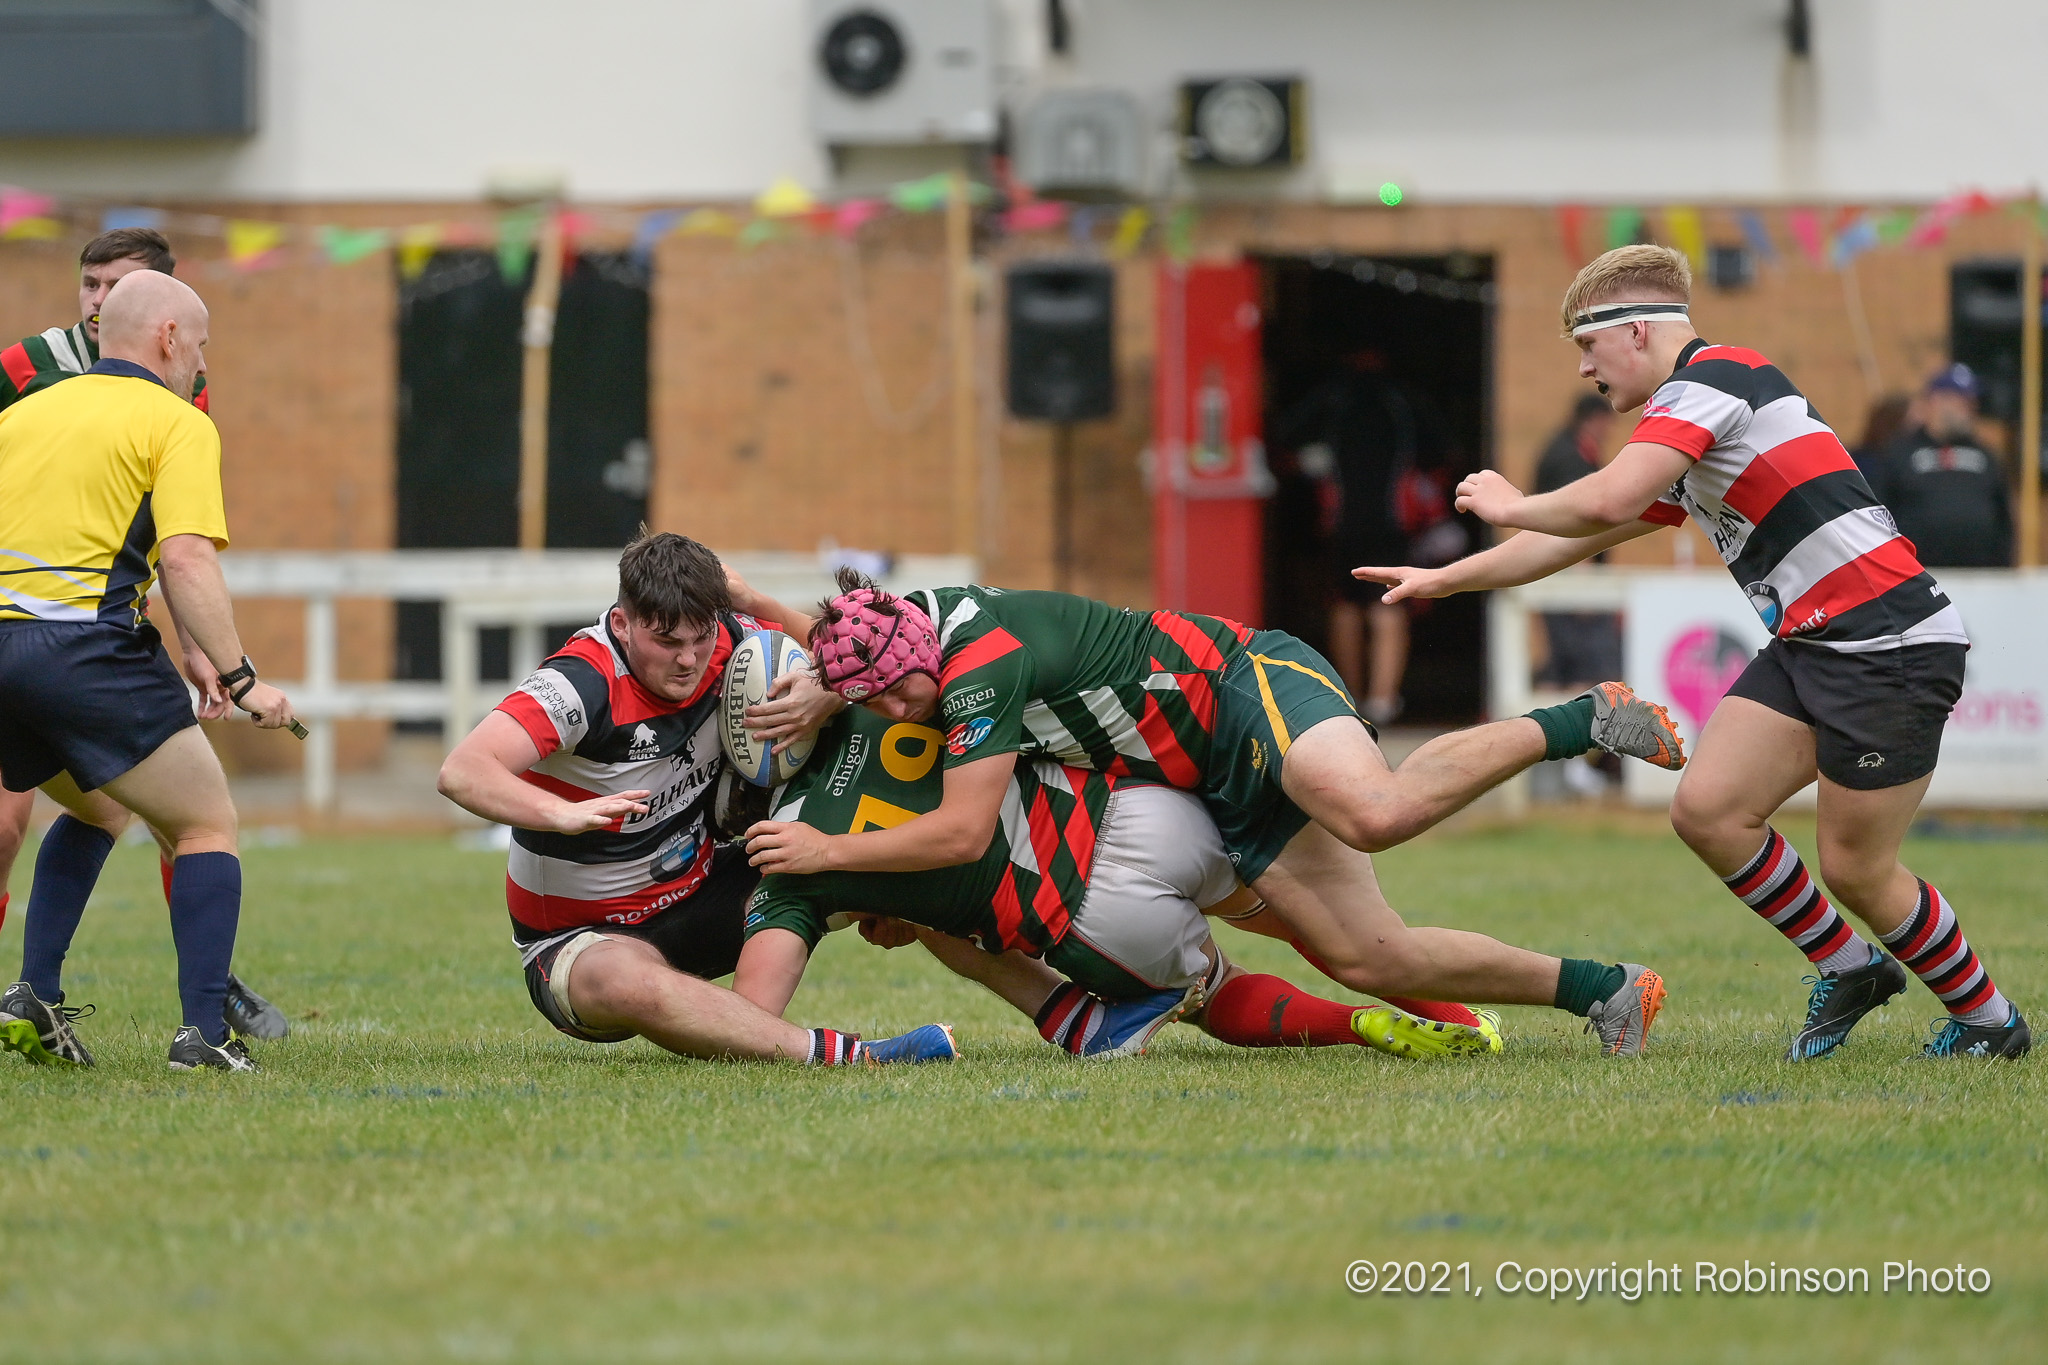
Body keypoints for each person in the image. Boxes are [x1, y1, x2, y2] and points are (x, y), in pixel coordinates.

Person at [1361, 244, 2029, 1062]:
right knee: (1708, 810)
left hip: (1885, 641)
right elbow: (1581, 537)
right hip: (1816, 641)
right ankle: (1851, 966)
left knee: (1857, 868)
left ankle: (1991, 1018)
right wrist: (1447, 578)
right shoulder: (1687, 418)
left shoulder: (1715, 379)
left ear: (1637, 332)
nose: (1583, 369)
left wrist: (1511, 502)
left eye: (1588, 345)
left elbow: (1604, 496)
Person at [744, 570, 1687, 1056]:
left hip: (1240, 684)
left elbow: (959, 831)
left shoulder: (980, 668)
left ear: (925, 658)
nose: (899, 713)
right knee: (1372, 956)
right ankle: (1605, 990)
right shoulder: (911, 623)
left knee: (1375, 810)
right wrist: (812, 673)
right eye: (875, 703)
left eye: (900, 695)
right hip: (1210, 777)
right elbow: (848, 641)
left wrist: (827, 852)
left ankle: (1582, 717)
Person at [434, 531, 954, 1066]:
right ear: (622, 624)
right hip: (584, 939)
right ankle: (849, 1055)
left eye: (700, 638)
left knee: (909, 872)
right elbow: (463, 771)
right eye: (667, 642)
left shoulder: (735, 642)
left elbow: (849, 658)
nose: (688, 659)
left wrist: (823, 693)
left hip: (705, 894)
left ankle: (1030, 999)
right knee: (629, 984)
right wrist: (563, 813)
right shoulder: (581, 683)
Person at [732, 706, 1501, 1061]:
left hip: (1096, 914)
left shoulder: (786, 855)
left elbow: (748, 1017)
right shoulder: (879, 697)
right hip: (1138, 812)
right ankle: (1464, 1017)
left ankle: (1354, 1025)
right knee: (1309, 918)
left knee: (1212, 990)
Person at [0, 270, 296, 1071]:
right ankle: (204, 1035)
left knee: (101, 808)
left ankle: (34, 993)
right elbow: (187, 558)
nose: (201, 363)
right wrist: (241, 678)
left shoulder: (22, 413)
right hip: (84, 650)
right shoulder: (177, 420)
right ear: (168, 338)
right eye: (199, 345)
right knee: (206, 823)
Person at [1271, 350, 1453, 724]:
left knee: (1346, 604)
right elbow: (1444, 452)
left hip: (1344, 523)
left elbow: (1283, 440)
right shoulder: (1403, 398)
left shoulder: (1332, 397)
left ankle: (1350, 699)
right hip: (1392, 523)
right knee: (1388, 604)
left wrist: (1312, 466)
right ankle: (1382, 701)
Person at [1862, 365, 2014, 568]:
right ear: (1937, 400)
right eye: (1963, 401)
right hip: (1919, 572)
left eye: (1972, 401)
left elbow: (2003, 516)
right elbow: (1880, 508)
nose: (1971, 408)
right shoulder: (1900, 453)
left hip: (1980, 572)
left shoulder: (1986, 456)